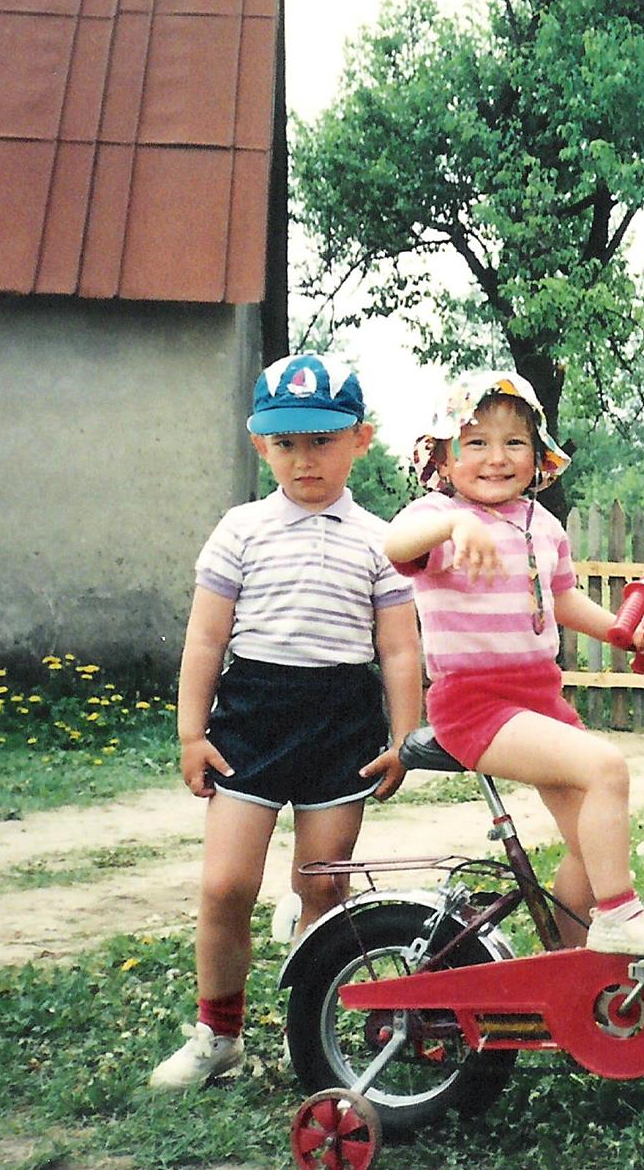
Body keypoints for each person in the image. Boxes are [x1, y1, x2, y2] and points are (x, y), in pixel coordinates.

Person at [149, 354, 424, 1091]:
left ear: (360, 440)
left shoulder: (382, 539)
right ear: (259, 444)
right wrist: (191, 731)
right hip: (252, 723)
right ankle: (219, 1032)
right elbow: (206, 638)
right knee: (225, 885)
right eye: (287, 443)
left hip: (341, 724)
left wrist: (404, 737)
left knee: (322, 888)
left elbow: (399, 647)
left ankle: (317, 1033)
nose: (305, 459)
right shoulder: (239, 530)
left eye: (323, 440)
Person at [383, 372, 644, 958]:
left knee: (587, 848)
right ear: (445, 458)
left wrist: (623, 635)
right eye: (475, 443)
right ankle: (620, 916)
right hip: (474, 703)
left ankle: (575, 969)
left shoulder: (541, 524)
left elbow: (563, 599)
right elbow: (396, 543)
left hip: (539, 697)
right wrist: (454, 521)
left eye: (514, 443)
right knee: (606, 768)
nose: (496, 458)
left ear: (537, 455)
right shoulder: (440, 519)